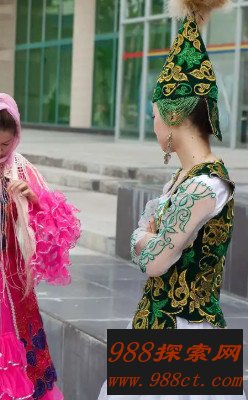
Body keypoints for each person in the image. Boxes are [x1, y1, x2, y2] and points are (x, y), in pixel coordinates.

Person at [97, 1, 246, 398]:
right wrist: (149, 240)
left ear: (173, 115)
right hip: (155, 324)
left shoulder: (204, 186)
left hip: (185, 333)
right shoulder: (184, 179)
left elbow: (154, 261)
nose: (153, 125)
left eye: (154, 116)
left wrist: (142, 239)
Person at [0, 93, 80, 400]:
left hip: (12, 279)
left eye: (5, 144)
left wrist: (33, 200)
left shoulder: (20, 168)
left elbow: (58, 226)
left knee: (19, 347)